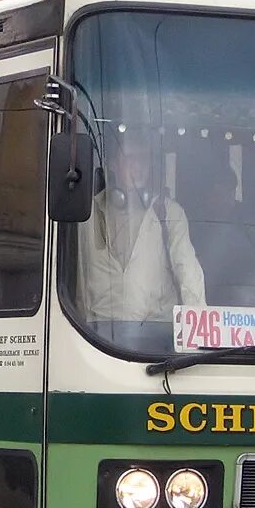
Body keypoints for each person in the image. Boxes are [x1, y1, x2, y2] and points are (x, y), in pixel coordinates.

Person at [76, 134, 206, 353]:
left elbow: (188, 272)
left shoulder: (169, 213)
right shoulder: (87, 215)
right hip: (96, 339)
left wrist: (200, 336)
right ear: (114, 166)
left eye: (143, 160)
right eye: (130, 159)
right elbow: (78, 277)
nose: (138, 167)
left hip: (156, 341)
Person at [183, 150, 255, 308]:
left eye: (228, 191)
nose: (223, 198)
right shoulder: (196, 224)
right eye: (217, 192)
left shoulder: (248, 221)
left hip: (245, 301)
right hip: (207, 301)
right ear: (209, 194)